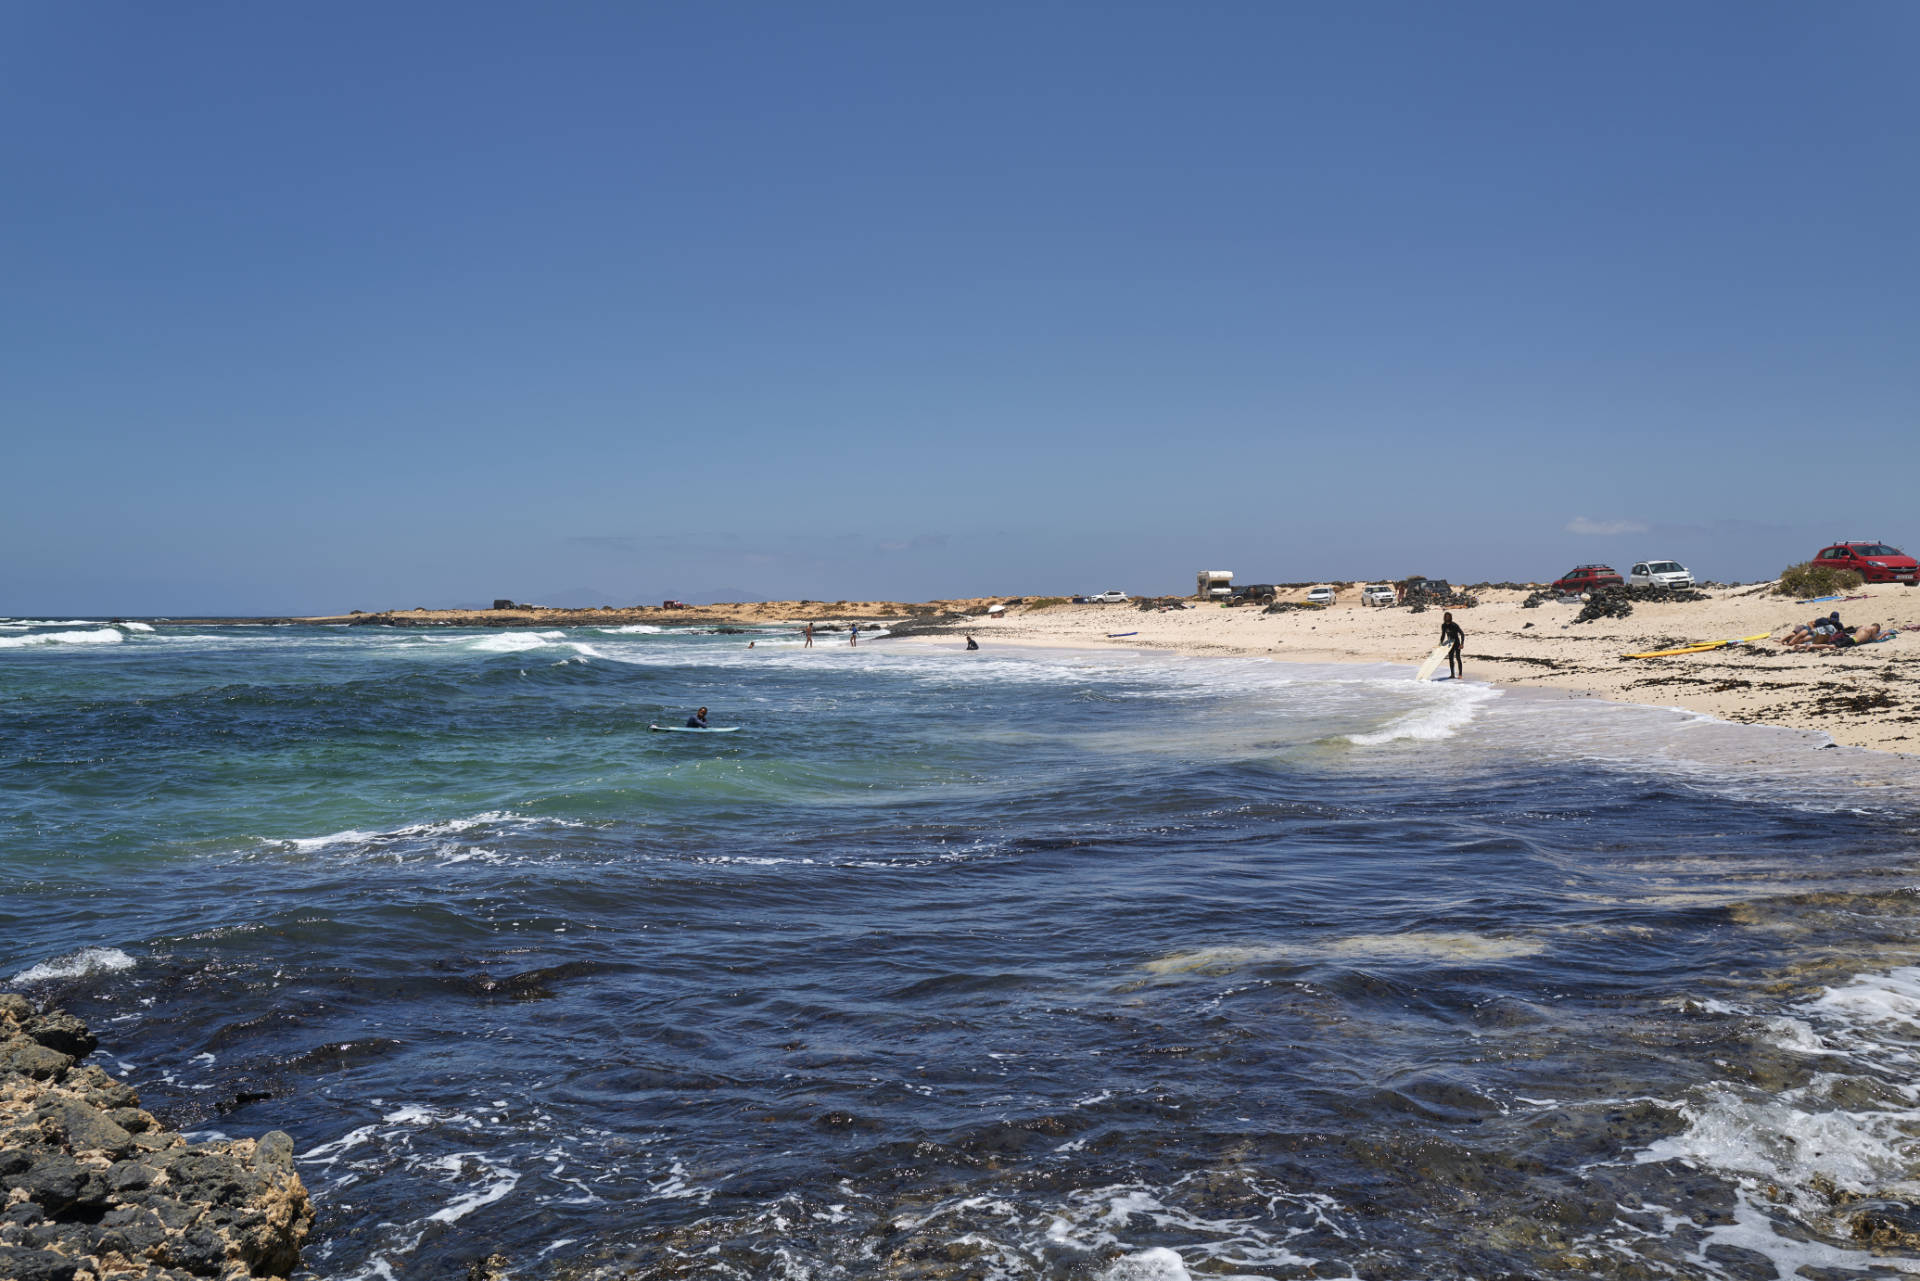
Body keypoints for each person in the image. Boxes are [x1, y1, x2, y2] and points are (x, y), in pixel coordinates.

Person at [1439, 611, 1465, 679]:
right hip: (1450, 643)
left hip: (1456, 643)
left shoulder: (1454, 625)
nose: (1447, 618)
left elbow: (1462, 634)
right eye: (1446, 617)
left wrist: (1462, 644)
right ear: (1444, 618)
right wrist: (1440, 643)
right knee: (1450, 659)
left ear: (1450, 617)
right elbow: (1443, 635)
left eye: (1448, 616)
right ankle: (1452, 674)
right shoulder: (1444, 625)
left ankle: (1460, 674)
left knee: (1458, 658)